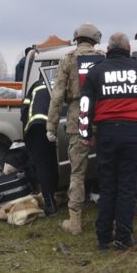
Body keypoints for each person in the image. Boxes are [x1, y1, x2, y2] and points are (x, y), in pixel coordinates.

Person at [78, 32, 137, 250]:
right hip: (131, 133)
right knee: (126, 187)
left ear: (107, 50)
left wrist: (85, 134)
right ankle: (124, 237)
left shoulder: (95, 71)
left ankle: (104, 237)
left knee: (108, 187)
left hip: (106, 135)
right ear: (128, 49)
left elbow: (85, 104)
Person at [46, 22, 105, 235]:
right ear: (95, 39)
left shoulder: (68, 60)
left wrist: (51, 125)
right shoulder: (103, 58)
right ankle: (109, 215)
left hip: (76, 117)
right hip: (101, 116)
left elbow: (57, 95)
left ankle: (75, 222)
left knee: (77, 173)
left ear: (77, 38)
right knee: (108, 169)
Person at [21, 75, 59, 216]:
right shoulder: (63, 82)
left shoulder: (37, 84)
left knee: (43, 165)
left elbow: (24, 109)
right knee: (51, 162)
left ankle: (50, 204)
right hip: (51, 125)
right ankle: (52, 200)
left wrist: (28, 140)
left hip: (35, 127)